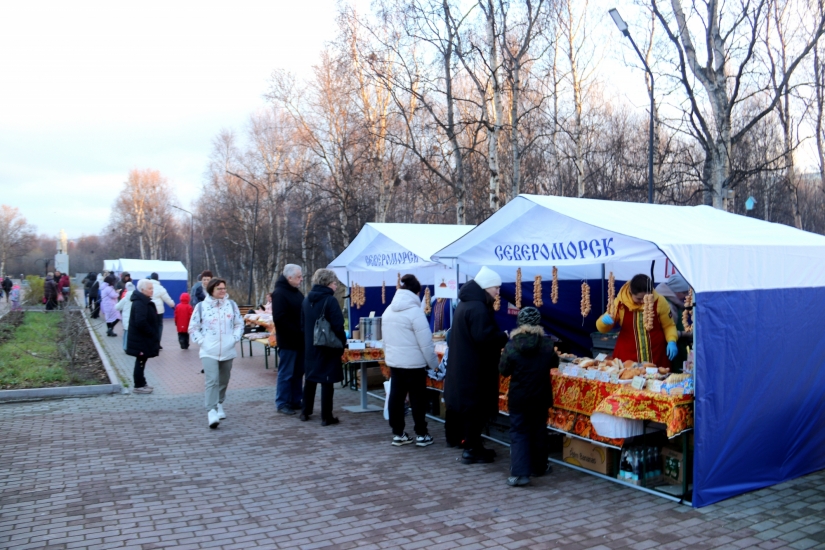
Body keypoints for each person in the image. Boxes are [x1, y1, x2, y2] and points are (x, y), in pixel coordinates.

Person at [444, 266, 509, 464]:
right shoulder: (478, 308)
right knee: (475, 410)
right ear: (487, 287)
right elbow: (484, 337)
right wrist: (503, 337)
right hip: (475, 370)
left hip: (466, 366)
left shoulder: (466, 304)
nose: (498, 292)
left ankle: (472, 445)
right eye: (495, 288)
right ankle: (472, 450)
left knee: (470, 410)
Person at [498, 307, 558, 487]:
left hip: (520, 397)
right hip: (541, 395)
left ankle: (520, 473)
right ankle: (540, 467)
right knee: (539, 431)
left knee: (519, 432)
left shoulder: (512, 345)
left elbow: (503, 370)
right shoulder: (547, 344)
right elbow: (554, 363)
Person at [382, 274, 439, 447]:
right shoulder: (415, 312)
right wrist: (434, 364)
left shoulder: (388, 310)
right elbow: (426, 343)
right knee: (417, 398)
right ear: (417, 292)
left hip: (395, 362)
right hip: (414, 364)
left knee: (396, 397)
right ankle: (421, 434)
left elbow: (385, 339)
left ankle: (398, 433)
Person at [189, 277, 243, 429]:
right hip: (208, 350)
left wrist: (234, 338)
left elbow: (239, 324)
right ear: (211, 290)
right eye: (219, 288)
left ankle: (219, 403)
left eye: (224, 288)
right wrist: (202, 341)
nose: (222, 291)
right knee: (212, 379)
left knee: (224, 379)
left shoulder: (231, 305)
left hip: (227, 349)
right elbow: (193, 327)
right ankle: (211, 410)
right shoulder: (201, 307)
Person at [597, 273, 678, 368]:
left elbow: (669, 325)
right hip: (627, 356)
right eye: (639, 298)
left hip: (655, 354)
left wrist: (672, 340)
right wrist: (603, 322)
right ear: (631, 291)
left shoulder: (660, 301)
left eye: (647, 298)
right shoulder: (619, 303)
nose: (643, 301)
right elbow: (602, 329)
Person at [300, 269, 346, 426]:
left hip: (309, 347)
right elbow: (338, 325)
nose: (336, 287)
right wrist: (342, 342)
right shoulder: (330, 301)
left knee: (310, 379)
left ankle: (305, 411)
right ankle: (326, 416)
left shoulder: (306, 300)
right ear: (327, 283)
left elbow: (302, 324)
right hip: (327, 346)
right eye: (334, 283)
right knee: (327, 381)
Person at [271, 264, 305, 415]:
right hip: (288, 341)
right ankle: (282, 402)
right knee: (286, 373)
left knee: (298, 372)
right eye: (299, 277)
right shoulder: (279, 293)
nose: (301, 279)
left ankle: (295, 399)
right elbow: (279, 318)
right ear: (289, 277)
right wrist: (297, 330)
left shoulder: (296, 292)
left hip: (300, 340)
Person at [126, 279, 160, 394]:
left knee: (142, 360)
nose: (152, 291)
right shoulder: (140, 302)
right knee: (140, 361)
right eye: (150, 288)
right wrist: (151, 332)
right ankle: (138, 385)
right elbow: (140, 322)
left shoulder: (143, 301)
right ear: (142, 290)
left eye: (152, 288)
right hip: (141, 338)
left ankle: (142, 382)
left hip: (143, 338)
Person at [654, 273, 692, 371]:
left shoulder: (675, 303)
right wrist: (683, 334)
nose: (686, 296)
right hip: (668, 349)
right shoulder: (667, 304)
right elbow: (665, 330)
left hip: (677, 345)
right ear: (675, 291)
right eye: (684, 293)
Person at [148, 273, 175, 345]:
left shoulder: (148, 287)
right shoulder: (160, 288)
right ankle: (157, 342)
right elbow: (167, 299)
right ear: (157, 278)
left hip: (149, 310)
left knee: (150, 325)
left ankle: (150, 341)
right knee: (159, 325)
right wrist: (173, 306)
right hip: (159, 311)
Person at [115, 282, 136, 351]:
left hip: (126, 318)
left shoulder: (125, 298)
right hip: (134, 318)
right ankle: (132, 347)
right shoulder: (137, 298)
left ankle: (125, 347)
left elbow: (117, 307)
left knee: (126, 333)